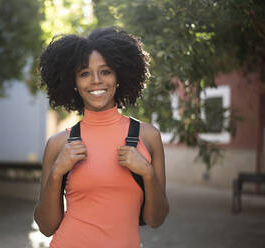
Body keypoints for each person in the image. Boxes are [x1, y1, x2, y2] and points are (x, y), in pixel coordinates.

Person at [34, 27, 169, 248]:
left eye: (105, 71)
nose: (96, 80)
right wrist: (57, 172)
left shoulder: (148, 137)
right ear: (74, 84)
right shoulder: (59, 144)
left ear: (119, 77)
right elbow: (46, 226)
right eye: (85, 73)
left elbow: (157, 219)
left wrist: (147, 172)